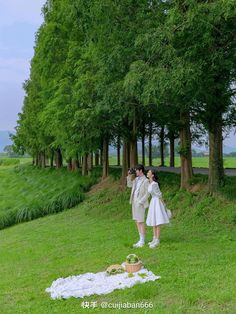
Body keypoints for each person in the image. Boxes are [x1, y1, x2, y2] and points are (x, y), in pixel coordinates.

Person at [127, 164, 149, 248]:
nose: (135, 171)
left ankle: (142, 240)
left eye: (136, 170)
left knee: (140, 221)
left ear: (141, 171)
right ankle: (140, 239)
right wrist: (129, 175)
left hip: (140, 203)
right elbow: (129, 185)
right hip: (134, 202)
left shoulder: (146, 181)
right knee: (136, 220)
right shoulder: (136, 179)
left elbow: (148, 193)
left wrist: (141, 201)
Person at [146, 169, 169, 248]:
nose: (147, 173)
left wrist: (164, 205)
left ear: (152, 175)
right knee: (153, 220)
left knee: (157, 221)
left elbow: (159, 195)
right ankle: (154, 238)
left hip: (157, 202)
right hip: (153, 202)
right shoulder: (149, 183)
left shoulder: (154, 184)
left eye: (149, 172)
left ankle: (157, 240)